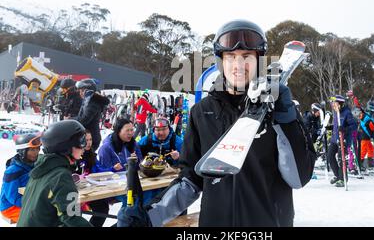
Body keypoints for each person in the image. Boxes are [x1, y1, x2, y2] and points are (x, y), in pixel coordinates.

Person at [117, 19, 316, 227]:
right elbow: (191, 181)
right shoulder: (202, 113)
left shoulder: (280, 109)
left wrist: (285, 121)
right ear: (221, 62)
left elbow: (298, 177)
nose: (239, 65)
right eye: (231, 57)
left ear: (259, 60)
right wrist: (149, 216)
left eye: (247, 56)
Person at [17, 120, 92, 227]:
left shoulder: (42, 169)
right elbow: (72, 217)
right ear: (65, 147)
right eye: (81, 142)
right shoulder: (61, 176)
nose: (84, 147)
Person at [0, 134, 41, 223]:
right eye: (32, 150)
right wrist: (32, 204)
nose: (36, 152)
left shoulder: (33, 165)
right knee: (38, 218)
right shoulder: (12, 171)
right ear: (22, 151)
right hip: (10, 207)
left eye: (37, 149)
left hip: (26, 202)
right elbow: (12, 196)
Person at [76, 130, 112, 227]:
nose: (89, 143)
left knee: (103, 208)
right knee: (75, 214)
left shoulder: (92, 155)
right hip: (75, 192)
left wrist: (111, 170)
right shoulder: (74, 155)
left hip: (90, 190)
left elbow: (98, 170)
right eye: (86, 140)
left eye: (90, 139)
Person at [327, 95, 358, 187]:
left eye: (334, 103)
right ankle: (337, 175)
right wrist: (331, 127)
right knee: (330, 156)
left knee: (342, 160)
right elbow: (337, 126)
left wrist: (344, 129)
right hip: (334, 139)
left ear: (339, 103)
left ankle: (343, 178)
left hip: (343, 139)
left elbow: (354, 126)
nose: (333, 105)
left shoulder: (347, 113)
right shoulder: (336, 112)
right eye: (332, 103)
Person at [75, 78, 110, 151]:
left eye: (82, 91)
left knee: (86, 160)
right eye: (80, 91)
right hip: (87, 136)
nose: (80, 93)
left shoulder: (92, 102)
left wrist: (70, 120)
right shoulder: (88, 100)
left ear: (88, 90)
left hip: (91, 139)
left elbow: (84, 119)